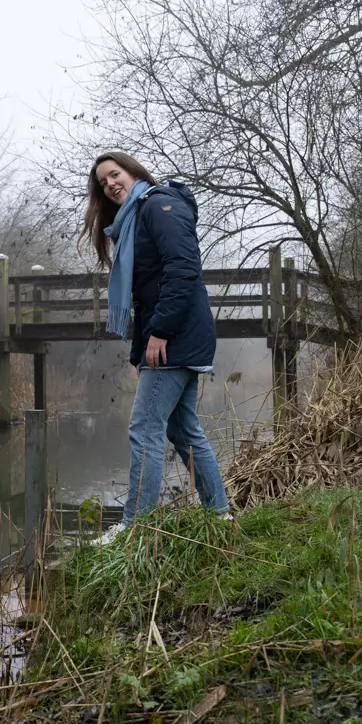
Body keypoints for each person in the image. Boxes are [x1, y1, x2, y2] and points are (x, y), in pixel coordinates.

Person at [81, 151, 230, 541]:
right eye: (103, 183)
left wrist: (159, 332)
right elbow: (150, 291)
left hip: (175, 337)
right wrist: (143, 347)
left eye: (115, 175)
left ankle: (136, 527)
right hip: (175, 337)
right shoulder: (136, 216)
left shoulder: (158, 206)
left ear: (132, 171)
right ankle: (220, 517)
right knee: (184, 431)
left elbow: (183, 269)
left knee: (144, 427)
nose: (110, 184)